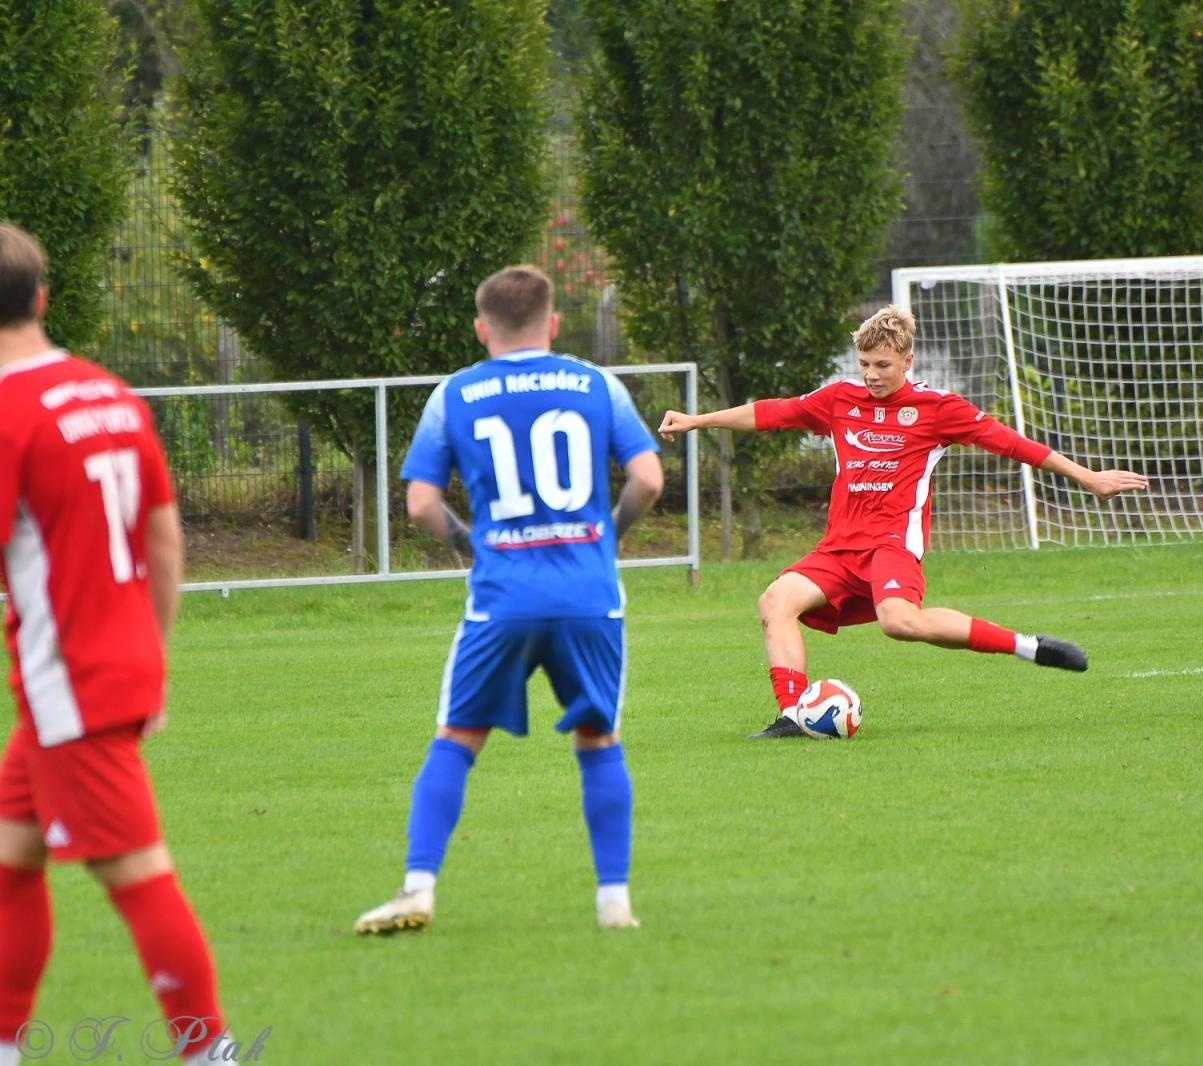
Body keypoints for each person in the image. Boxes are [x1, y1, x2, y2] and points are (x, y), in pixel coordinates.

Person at [657, 304, 1148, 739]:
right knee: (775, 600)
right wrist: (698, 421)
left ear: (907, 362)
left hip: (893, 544)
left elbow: (1011, 443)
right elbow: (772, 413)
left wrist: (1088, 477)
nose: (871, 375)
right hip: (838, 547)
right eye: (865, 364)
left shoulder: (937, 409)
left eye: (882, 366)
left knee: (899, 622)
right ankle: (795, 716)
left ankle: (1027, 646)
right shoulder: (840, 399)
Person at [355, 265, 663, 935]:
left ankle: (418, 887)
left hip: (503, 593)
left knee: (458, 738)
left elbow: (418, 504)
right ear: (553, 324)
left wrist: (470, 544)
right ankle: (615, 903)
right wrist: (606, 536)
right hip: (588, 592)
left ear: (480, 328)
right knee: (599, 736)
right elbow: (648, 477)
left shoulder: (454, 394)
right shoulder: (595, 384)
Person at [0, 223, 226, 1065]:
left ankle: (211, 1051)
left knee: (136, 875)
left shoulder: (8, 412)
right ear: (43, 298)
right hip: (114, 660)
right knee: (10, 856)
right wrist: (151, 658)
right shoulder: (106, 391)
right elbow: (164, 539)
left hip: (70, 680)